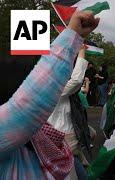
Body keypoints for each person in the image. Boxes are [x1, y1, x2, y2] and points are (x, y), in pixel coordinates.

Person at [0, 11, 99, 179]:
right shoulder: (8, 130)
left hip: (64, 141)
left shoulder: (44, 139)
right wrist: (74, 37)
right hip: (67, 137)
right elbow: (32, 100)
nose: (36, 78)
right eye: (31, 78)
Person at [47, 45, 91, 180]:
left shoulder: (62, 89)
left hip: (69, 142)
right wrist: (82, 52)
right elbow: (76, 81)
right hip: (61, 142)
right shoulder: (51, 87)